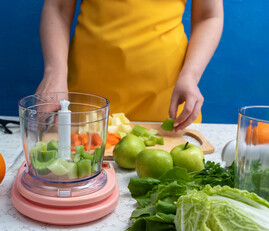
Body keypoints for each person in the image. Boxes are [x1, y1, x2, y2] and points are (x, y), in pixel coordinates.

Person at [36, 0, 224, 132]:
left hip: (165, 103)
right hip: (88, 102)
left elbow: (208, 16)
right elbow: (58, 7)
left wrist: (191, 76)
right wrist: (54, 74)